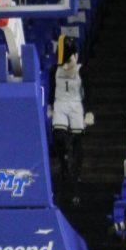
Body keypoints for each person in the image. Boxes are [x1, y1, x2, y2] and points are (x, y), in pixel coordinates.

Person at [52, 40, 86, 204]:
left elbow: (89, 90)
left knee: (77, 141)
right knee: (58, 135)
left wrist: (90, 111)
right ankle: (63, 161)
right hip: (60, 103)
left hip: (75, 104)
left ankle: (76, 172)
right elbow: (52, 88)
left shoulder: (81, 70)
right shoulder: (55, 70)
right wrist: (50, 105)